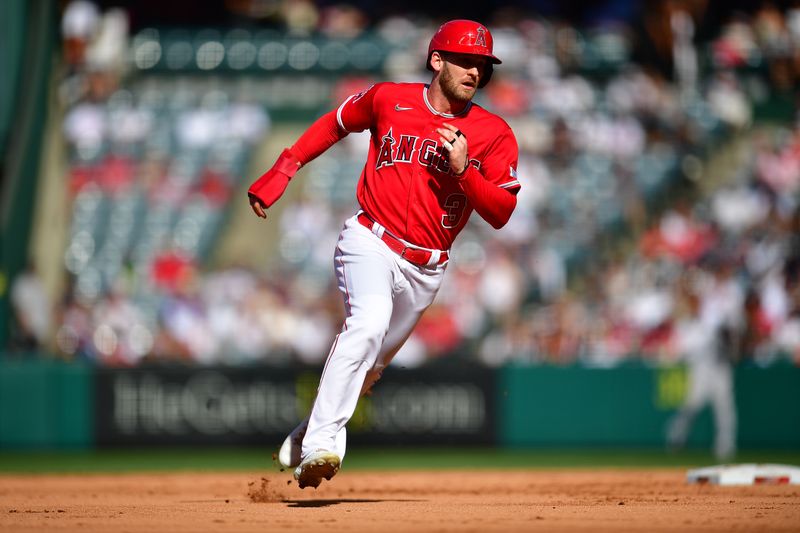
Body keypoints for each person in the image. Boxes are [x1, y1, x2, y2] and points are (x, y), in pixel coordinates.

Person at [247, 19, 520, 489]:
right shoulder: (388, 98)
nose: (474, 71)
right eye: (463, 60)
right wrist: (286, 165)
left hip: (427, 268)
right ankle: (321, 446)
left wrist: (463, 173)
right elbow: (336, 123)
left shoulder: (493, 133)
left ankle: (308, 431)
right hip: (370, 239)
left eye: (481, 64)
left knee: (368, 370)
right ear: (437, 60)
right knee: (367, 325)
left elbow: (501, 211)